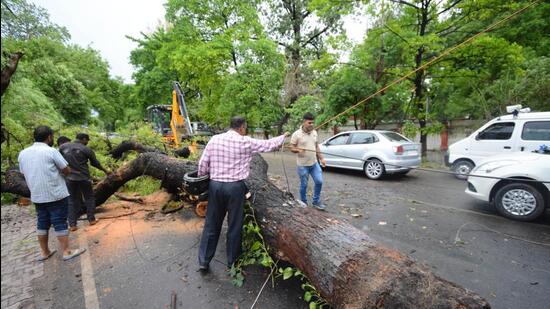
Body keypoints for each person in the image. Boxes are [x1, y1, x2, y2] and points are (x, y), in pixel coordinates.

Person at [197, 116, 289, 272]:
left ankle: (204, 261)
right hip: (235, 188)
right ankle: (233, 262)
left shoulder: (214, 139)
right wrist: (283, 137)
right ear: (241, 128)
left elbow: (202, 164)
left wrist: (204, 180)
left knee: (211, 224)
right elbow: (268, 145)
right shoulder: (245, 141)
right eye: (245, 128)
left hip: (216, 186)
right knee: (234, 225)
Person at [18, 126, 86, 261]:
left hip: (37, 195)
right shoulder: (51, 151)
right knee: (60, 221)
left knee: (42, 223)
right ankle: (66, 251)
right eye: (52, 136)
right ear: (49, 137)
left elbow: (22, 173)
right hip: (55, 193)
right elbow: (66, 170)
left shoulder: (23, 153)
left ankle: (44, 252)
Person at [59, 133, 110, 231]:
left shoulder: (63, 147)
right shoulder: (86, 149)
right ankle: (91, 219)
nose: (87, 142)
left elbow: (58, 161)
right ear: (83, 139)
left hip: (69, 178)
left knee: (71, 200)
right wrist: (105, 170)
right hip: (84, 178)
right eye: (87, 140)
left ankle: (72, 225)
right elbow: (95, 163)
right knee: (89, 198)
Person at [289, 112, 327, 210]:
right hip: (302, 165)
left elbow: (316, 146)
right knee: (304, 185)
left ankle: (316, 201)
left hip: (314, 163)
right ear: (304, 122)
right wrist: (298, 150)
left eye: (313, 123)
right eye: (309, 123)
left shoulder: (314, 132)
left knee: (319, 181)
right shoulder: (296, 134)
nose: (312, 125)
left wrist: (322, 158)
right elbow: (291, 148)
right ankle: (303, 202)